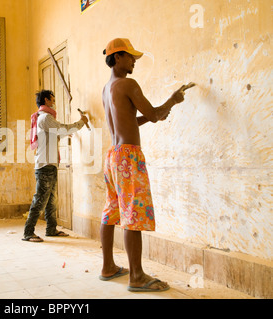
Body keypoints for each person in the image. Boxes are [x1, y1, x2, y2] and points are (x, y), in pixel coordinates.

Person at [100, 38, 190, 292]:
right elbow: (153, 115)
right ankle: (136, 277)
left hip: (113, 156)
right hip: (128, 157)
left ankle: (108, 267)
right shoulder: (128, 83)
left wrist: (156, 115)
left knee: (111, 211)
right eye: (131, 57)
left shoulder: (107, 88)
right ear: (117, 57)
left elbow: (127, 120)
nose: (134, 61)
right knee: (133, 214)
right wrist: (172, 100)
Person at [23, 90, 89, 242]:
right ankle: (28, 232)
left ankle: (51, 229)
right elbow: (61, 128)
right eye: (52, 99)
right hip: (45, 165)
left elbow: (54, 134)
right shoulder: (46, 117)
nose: (54, 102)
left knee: (51, 200)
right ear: (46, 100)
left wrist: (63, 133)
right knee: (40, 200)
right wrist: (81, 123)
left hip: (49, 164)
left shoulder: (44, 118)